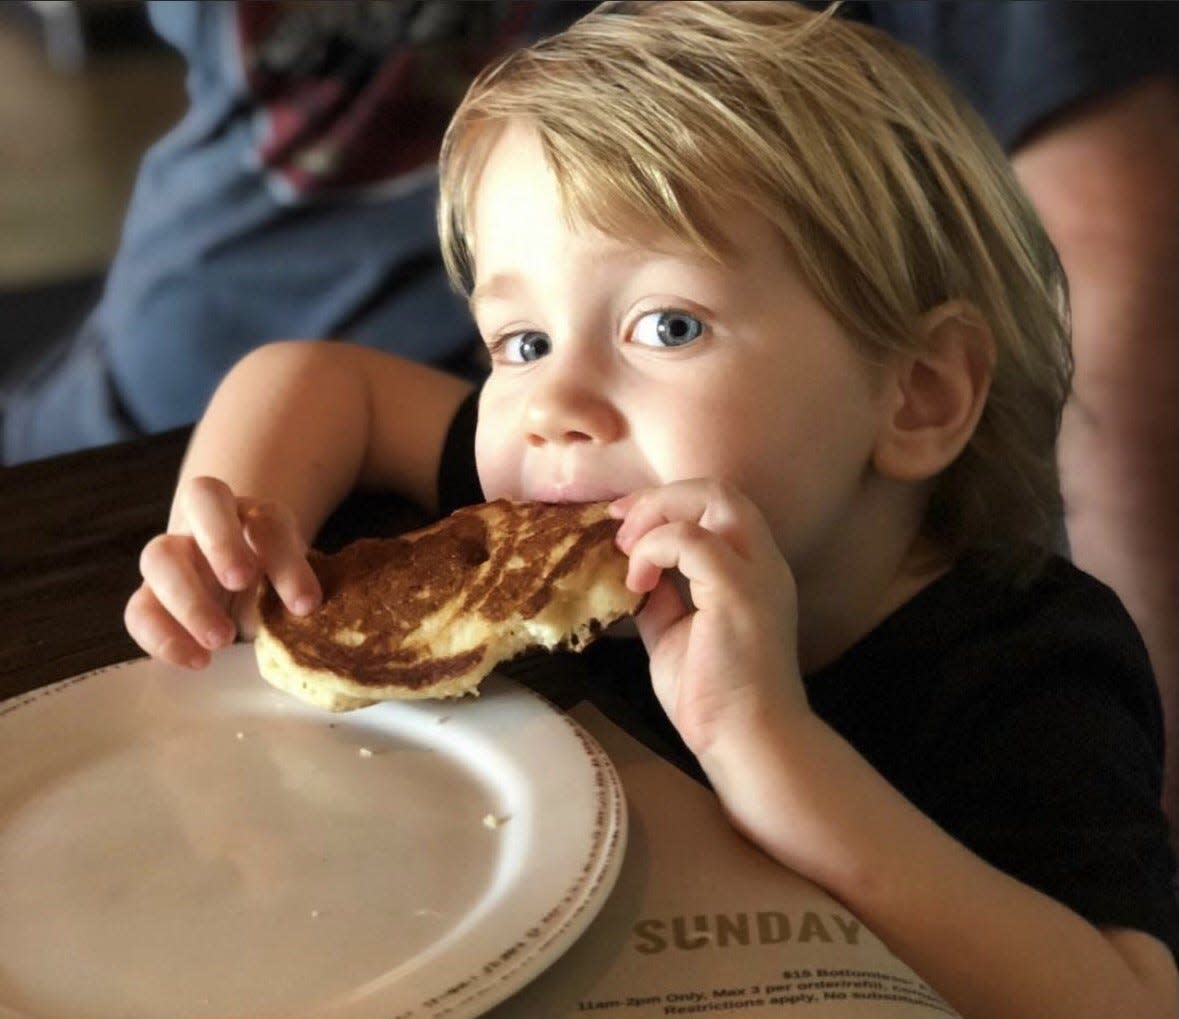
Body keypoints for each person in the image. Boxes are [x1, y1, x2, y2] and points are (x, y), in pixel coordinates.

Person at [124, 3, 1179, 1015]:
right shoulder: (552, 518)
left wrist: (766, 744)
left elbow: (1123, 998)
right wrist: (233, 527)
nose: (554, 406)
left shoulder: (1029, 665)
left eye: (667, 326)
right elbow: (318, 378)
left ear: (917, 394)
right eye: (522, 342)